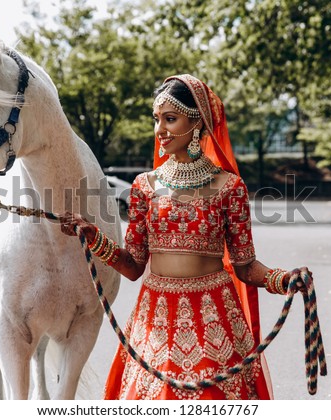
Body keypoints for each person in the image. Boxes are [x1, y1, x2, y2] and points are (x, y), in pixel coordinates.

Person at [59, 74, 308, 400]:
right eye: (157, 119)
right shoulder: (144, 186)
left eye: (170, 119)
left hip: (214, 319)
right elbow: (134, 266)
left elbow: (246, 268)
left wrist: (282, 279)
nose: (159, 129)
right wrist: (94, 239)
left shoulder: (229, 188)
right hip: (155, 320)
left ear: (198, 124)